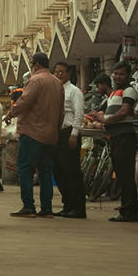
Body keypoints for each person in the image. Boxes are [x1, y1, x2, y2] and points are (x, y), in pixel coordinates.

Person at [4, 51, 64, 219]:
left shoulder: (36, 79)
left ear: (36, 65)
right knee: (45, 171)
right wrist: (55, 130)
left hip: (32, 133)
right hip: (50, 135)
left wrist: (10, 114)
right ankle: (46, 209)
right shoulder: (57, 83)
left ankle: (29, 206)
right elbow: (61, 112)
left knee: (25, 169)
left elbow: (24, 101)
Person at [94, 61, 138, 222]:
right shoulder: (114, 93)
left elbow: (124, 111)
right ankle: (129, 210)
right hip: (115, 138)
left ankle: (130, 212)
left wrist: (105, 120)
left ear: (128, 75)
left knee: (126, 176)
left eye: (122, 74)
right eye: (116, 73)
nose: (118, 76)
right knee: (121, 176)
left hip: (125, 137)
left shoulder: (129, 91)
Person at [50, 61, 86, 218]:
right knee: (58, 172)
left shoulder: (74, 91)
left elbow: (79, 113)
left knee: (72, 172)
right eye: (56, 71)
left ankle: (78, 208)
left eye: (62, 71)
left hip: (69, 133)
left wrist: (74, 133)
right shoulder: (54, 91)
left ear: (68, 73)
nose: (59, 74)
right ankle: (68, 205)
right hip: (56, 135)